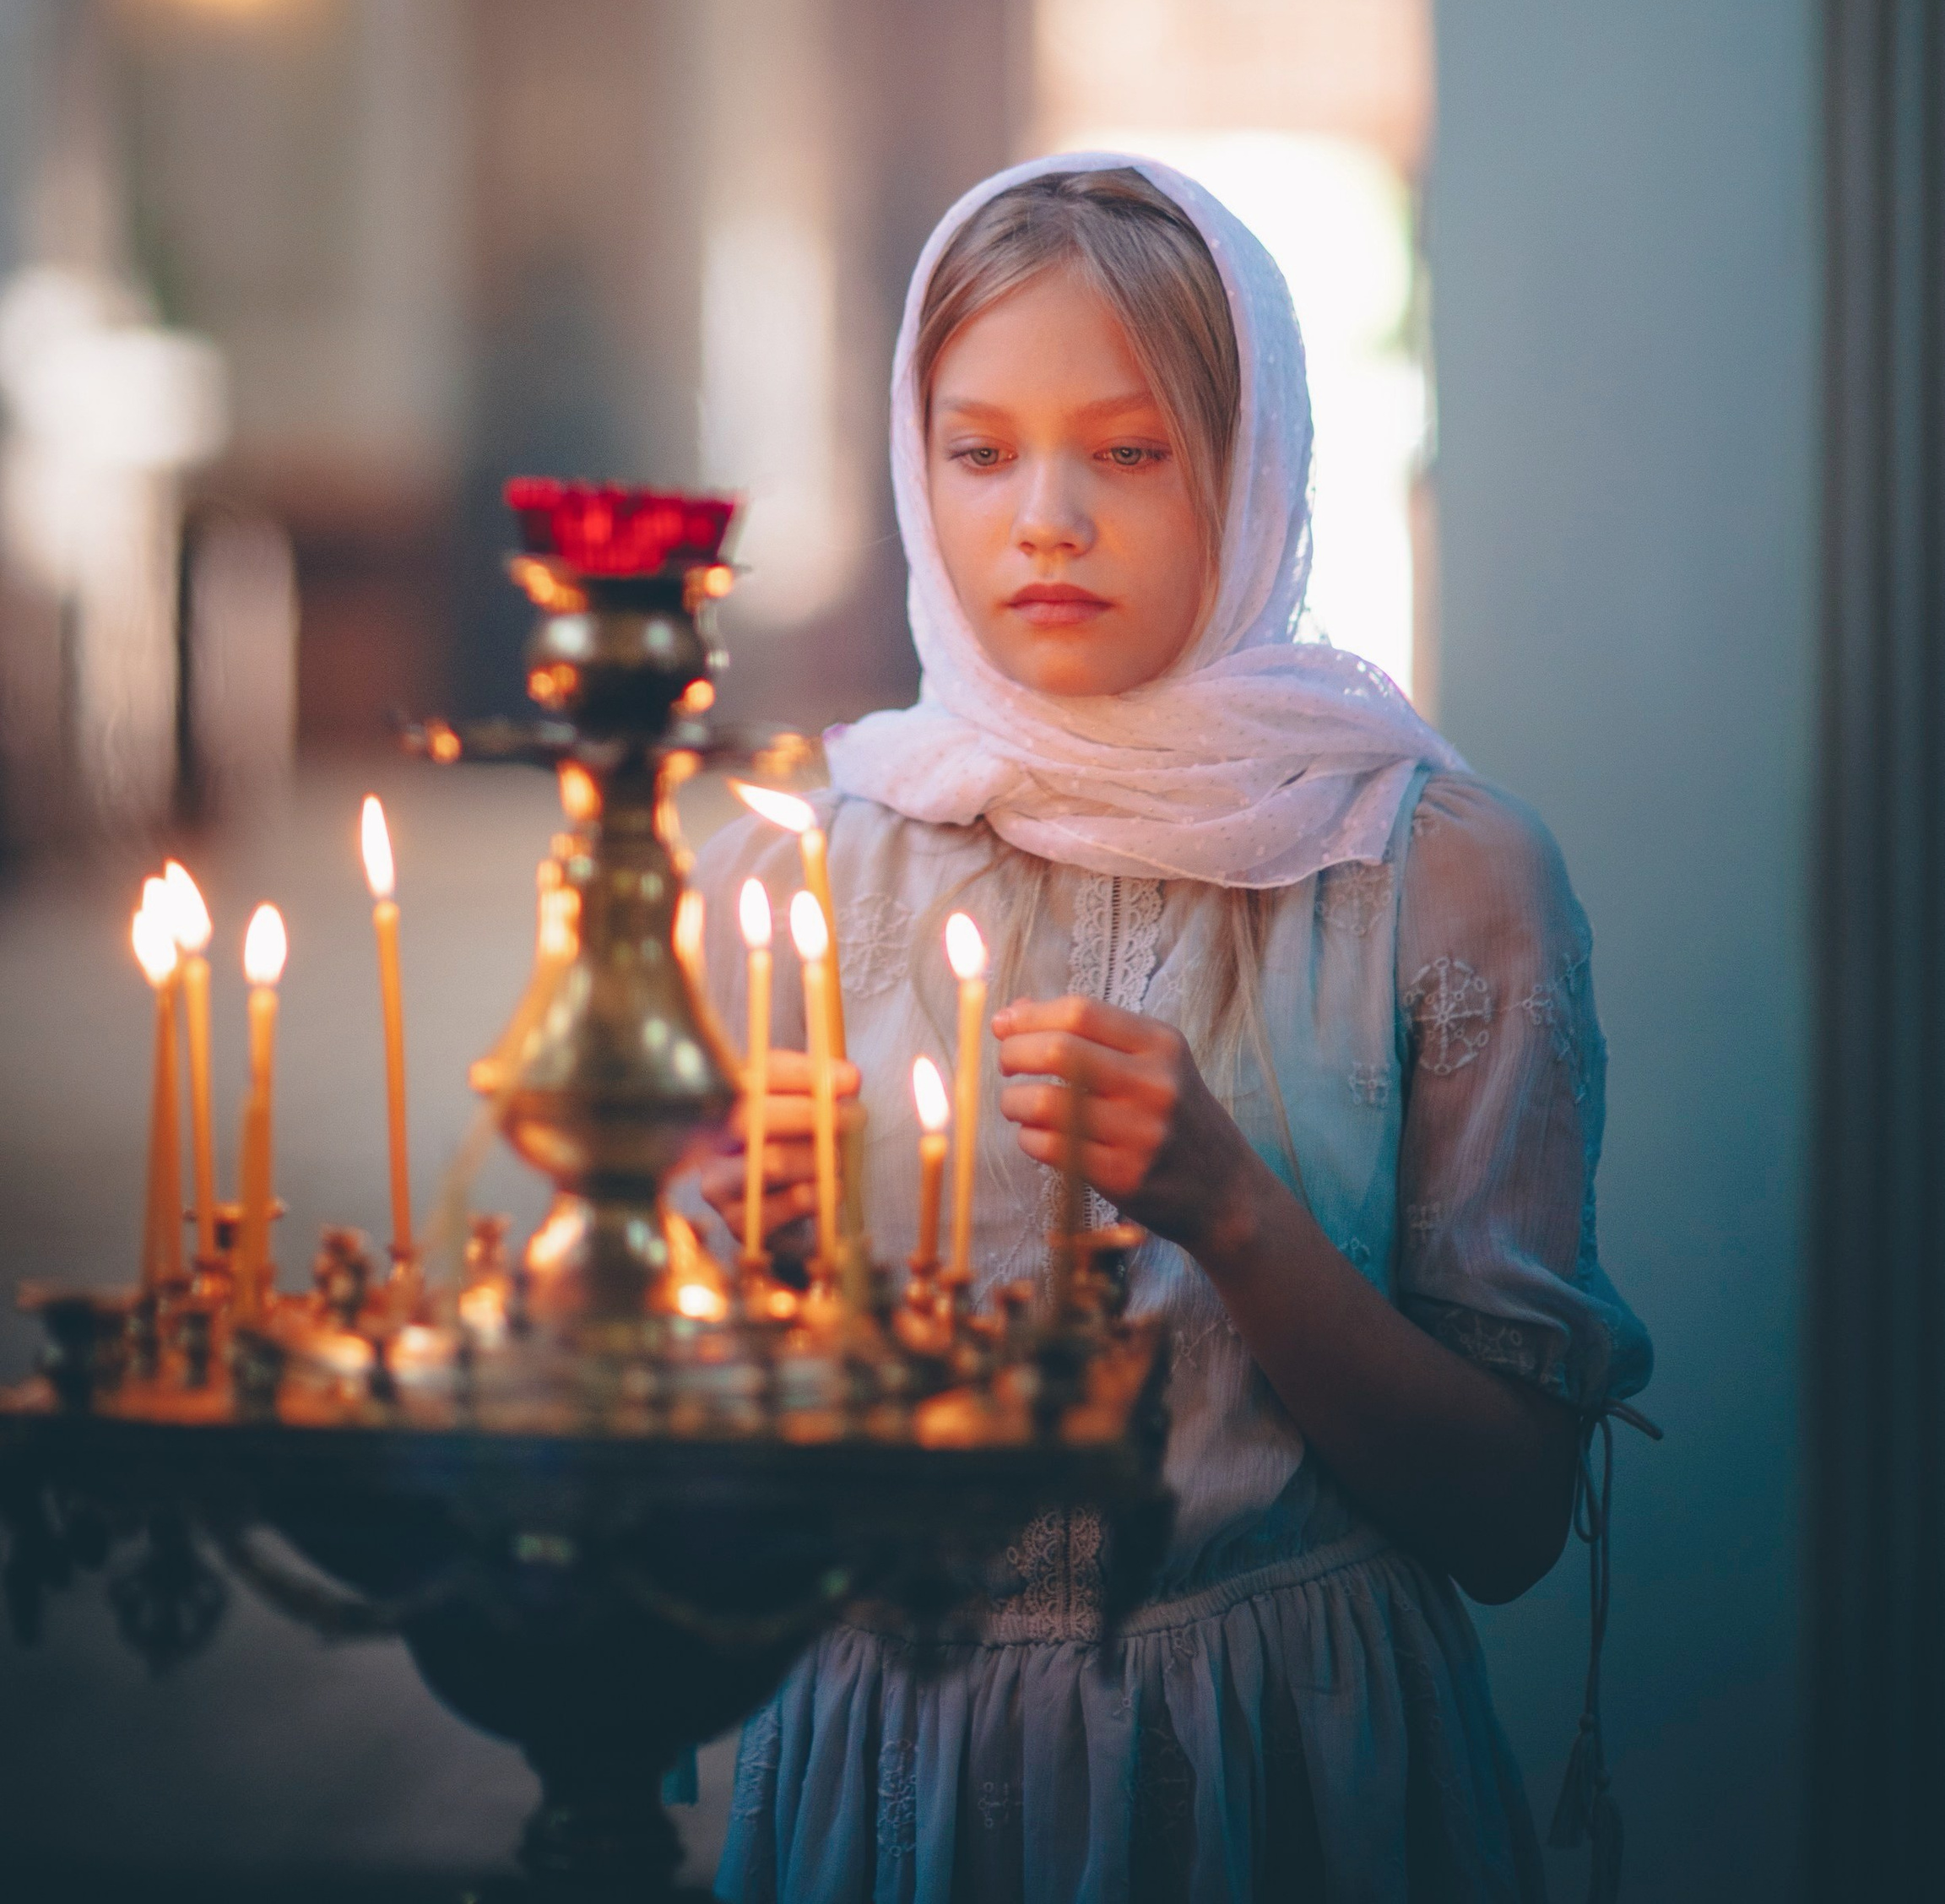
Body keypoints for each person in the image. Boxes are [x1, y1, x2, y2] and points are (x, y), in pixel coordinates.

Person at [691, 152, 1651, 1904]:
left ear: (1255, 460)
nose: (1040, 517)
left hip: (1278, 1765)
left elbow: (1508, 1519)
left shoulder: (1432, 879)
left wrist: (1232, 1207)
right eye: (976, 451)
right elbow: (710, 1492)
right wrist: (741, 1278)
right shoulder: (821, 869)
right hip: (885, 1766)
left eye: (1124, 450)